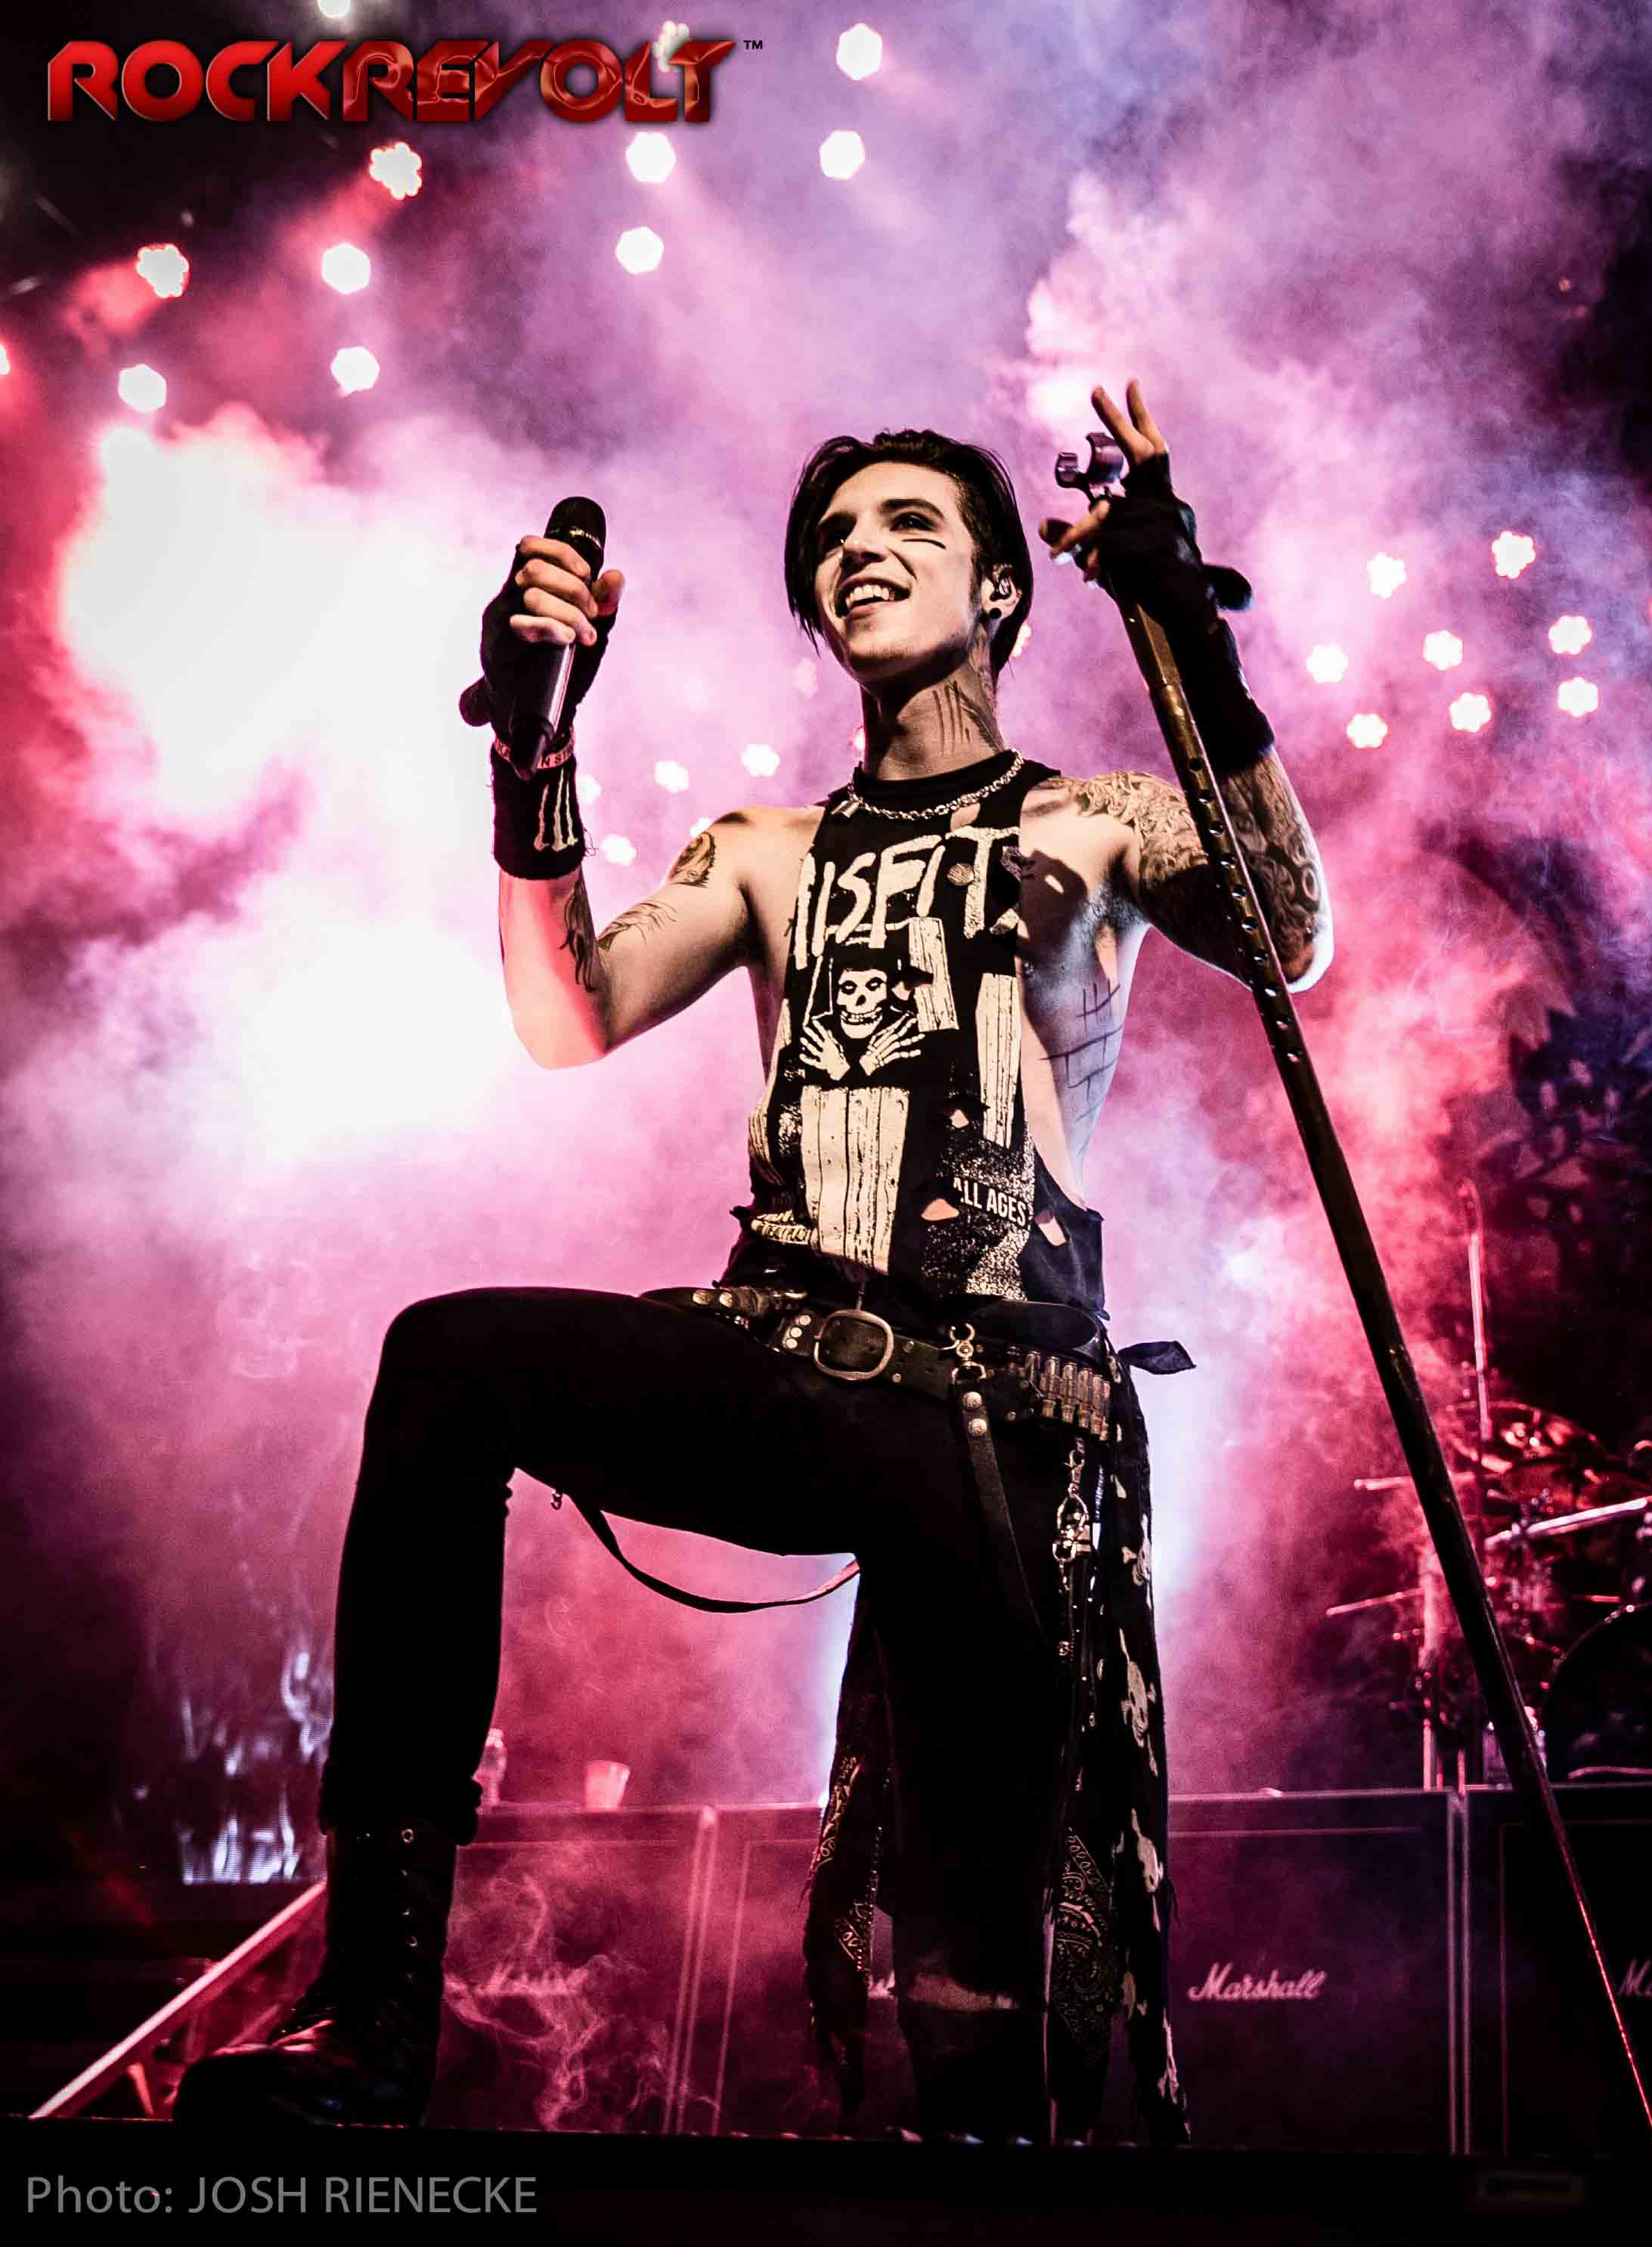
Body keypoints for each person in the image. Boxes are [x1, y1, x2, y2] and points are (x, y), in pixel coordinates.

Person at [173, 380, 1331, 2143]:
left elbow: (1285, 929)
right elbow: (567, 1018)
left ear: (1001, 589)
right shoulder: (763, 854)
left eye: (908, 525)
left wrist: (1183, 621)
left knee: (972, 2004)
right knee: (451, 1356)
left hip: (1006, 1426)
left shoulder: (1094, 822)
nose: (859, 552)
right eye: (833, 539)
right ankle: (372, 2013)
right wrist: (532, 753)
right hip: (796, 1363)